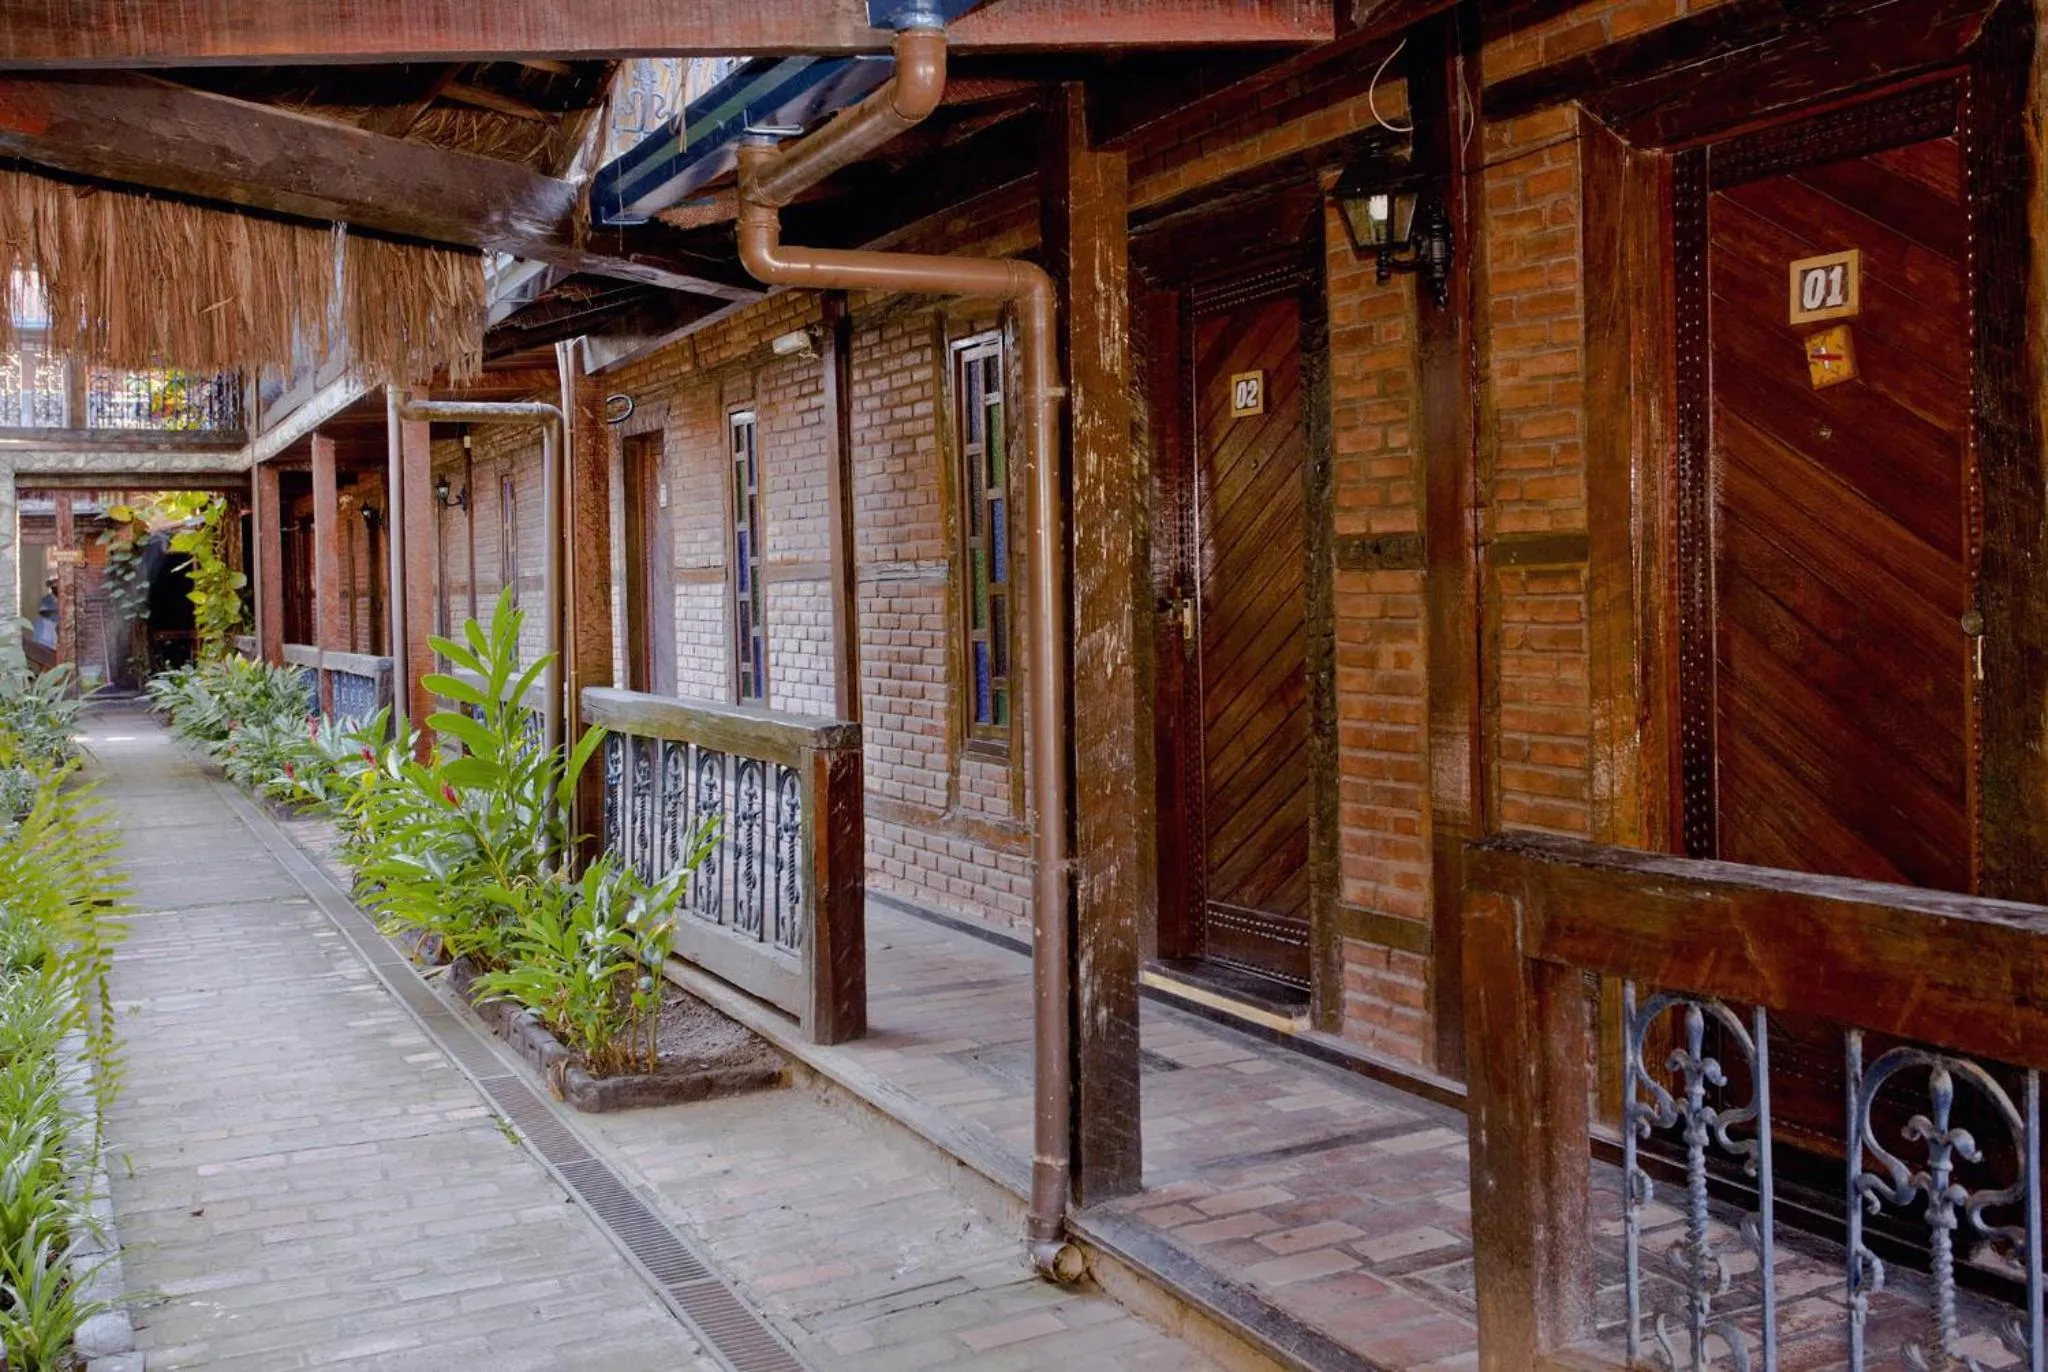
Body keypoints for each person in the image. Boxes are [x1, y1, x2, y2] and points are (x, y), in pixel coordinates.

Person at [32, 576, 56, 648]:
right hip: (48, 632)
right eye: (53, 586)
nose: (55, 587)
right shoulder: (46, 599)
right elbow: (44, 612)